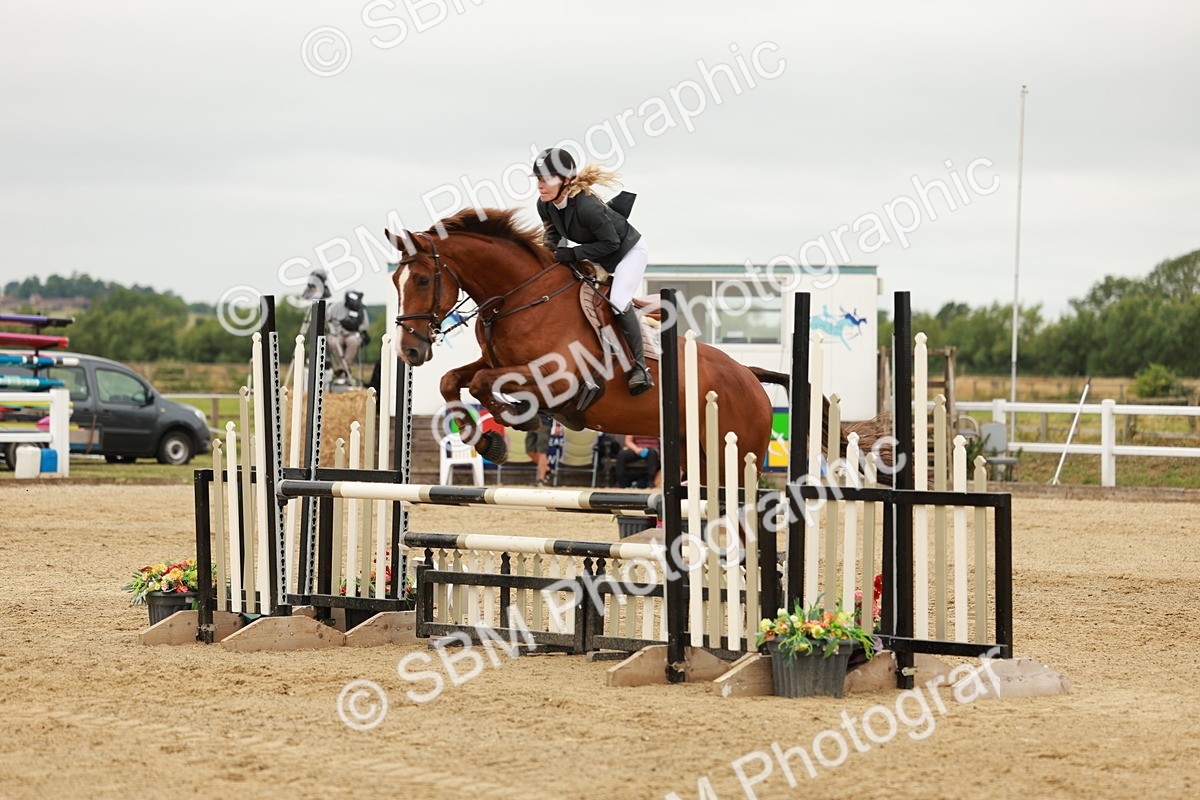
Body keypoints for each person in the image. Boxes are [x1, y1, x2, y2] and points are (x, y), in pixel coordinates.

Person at [532, 147, 653, 396]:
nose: (540, 185)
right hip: (598, 255)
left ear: (565, 181)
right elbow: (552, 237)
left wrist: (573, 254)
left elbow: (612, 244)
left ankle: (641, 367)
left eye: (547, 179)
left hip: (627, 253)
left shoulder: (587, 206)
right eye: (538, 179)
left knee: (618, 301)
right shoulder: (545, 205)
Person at [327, 290, 369, 381]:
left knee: (353, 341)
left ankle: (342, 368)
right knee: (335, 342)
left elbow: (364, 325)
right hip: (337, 333)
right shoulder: (336, 307)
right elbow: (327, 320)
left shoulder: (360, 309)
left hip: (353, 334)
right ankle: (345, 368)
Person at [524, 414, 553, 486]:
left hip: (544, 422)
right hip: (531, 422)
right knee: (529, 451)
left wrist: (558, 426)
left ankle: (541, 480)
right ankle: (547, 469)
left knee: (541, 451)